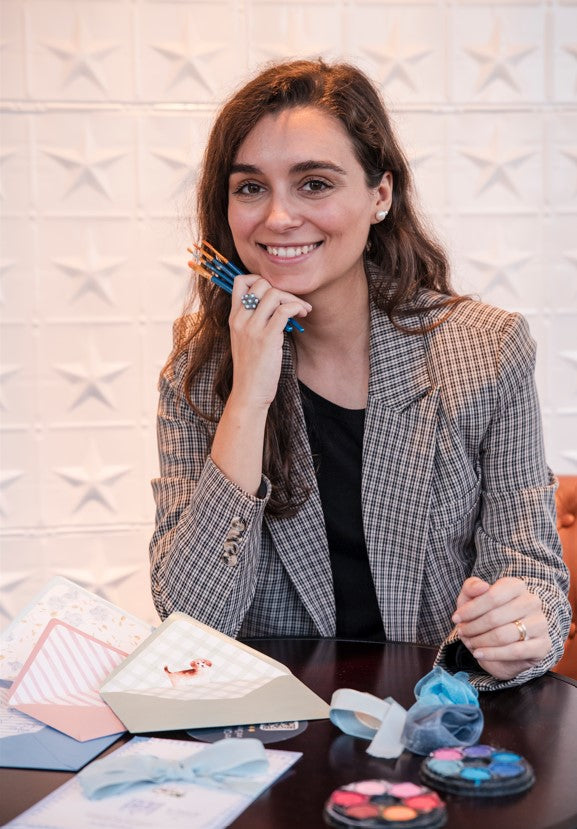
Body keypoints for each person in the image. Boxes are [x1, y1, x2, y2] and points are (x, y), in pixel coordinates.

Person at [149, 59, 570, 690]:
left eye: (314, 183)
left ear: (380, 196)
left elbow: (533, 577)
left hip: (438, 716)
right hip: (276, 727)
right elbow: (190, 621)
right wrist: (248, 398)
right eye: (250, 187)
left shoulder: (484, 348)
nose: (278, 218)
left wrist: (522, 628)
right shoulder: (200, 367)